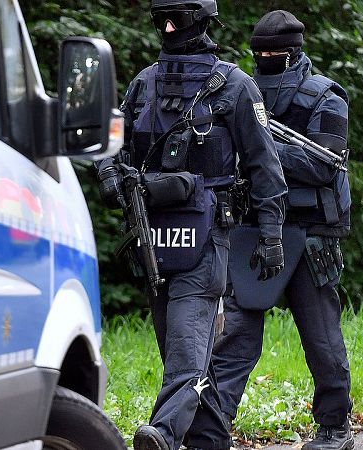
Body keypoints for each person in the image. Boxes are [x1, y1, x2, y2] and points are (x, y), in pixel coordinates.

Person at [96, 2, 287, 449]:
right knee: (179, 350)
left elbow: (265, 165)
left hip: (207, 238)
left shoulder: (235, 87)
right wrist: (109, 172)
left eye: (176, 19)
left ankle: (161, 433)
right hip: (154, 236)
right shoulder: (145, 84)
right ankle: (209, 442)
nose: (166, 28)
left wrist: (272, 232)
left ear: (200, 20)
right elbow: (113, 144)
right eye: (159, 18)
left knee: (186, 345)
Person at [188, 10, 354, 450]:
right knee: (237, 336)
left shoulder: (327, 98)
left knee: (320, 336)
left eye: (273, 54)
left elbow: (323, 164)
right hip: (255, 227)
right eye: (258, 53)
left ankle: (335, 426)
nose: (264, 59)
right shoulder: (240, 92)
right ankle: (211, 427)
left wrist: (261, 147)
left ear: (295, 53)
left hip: (311, 230)